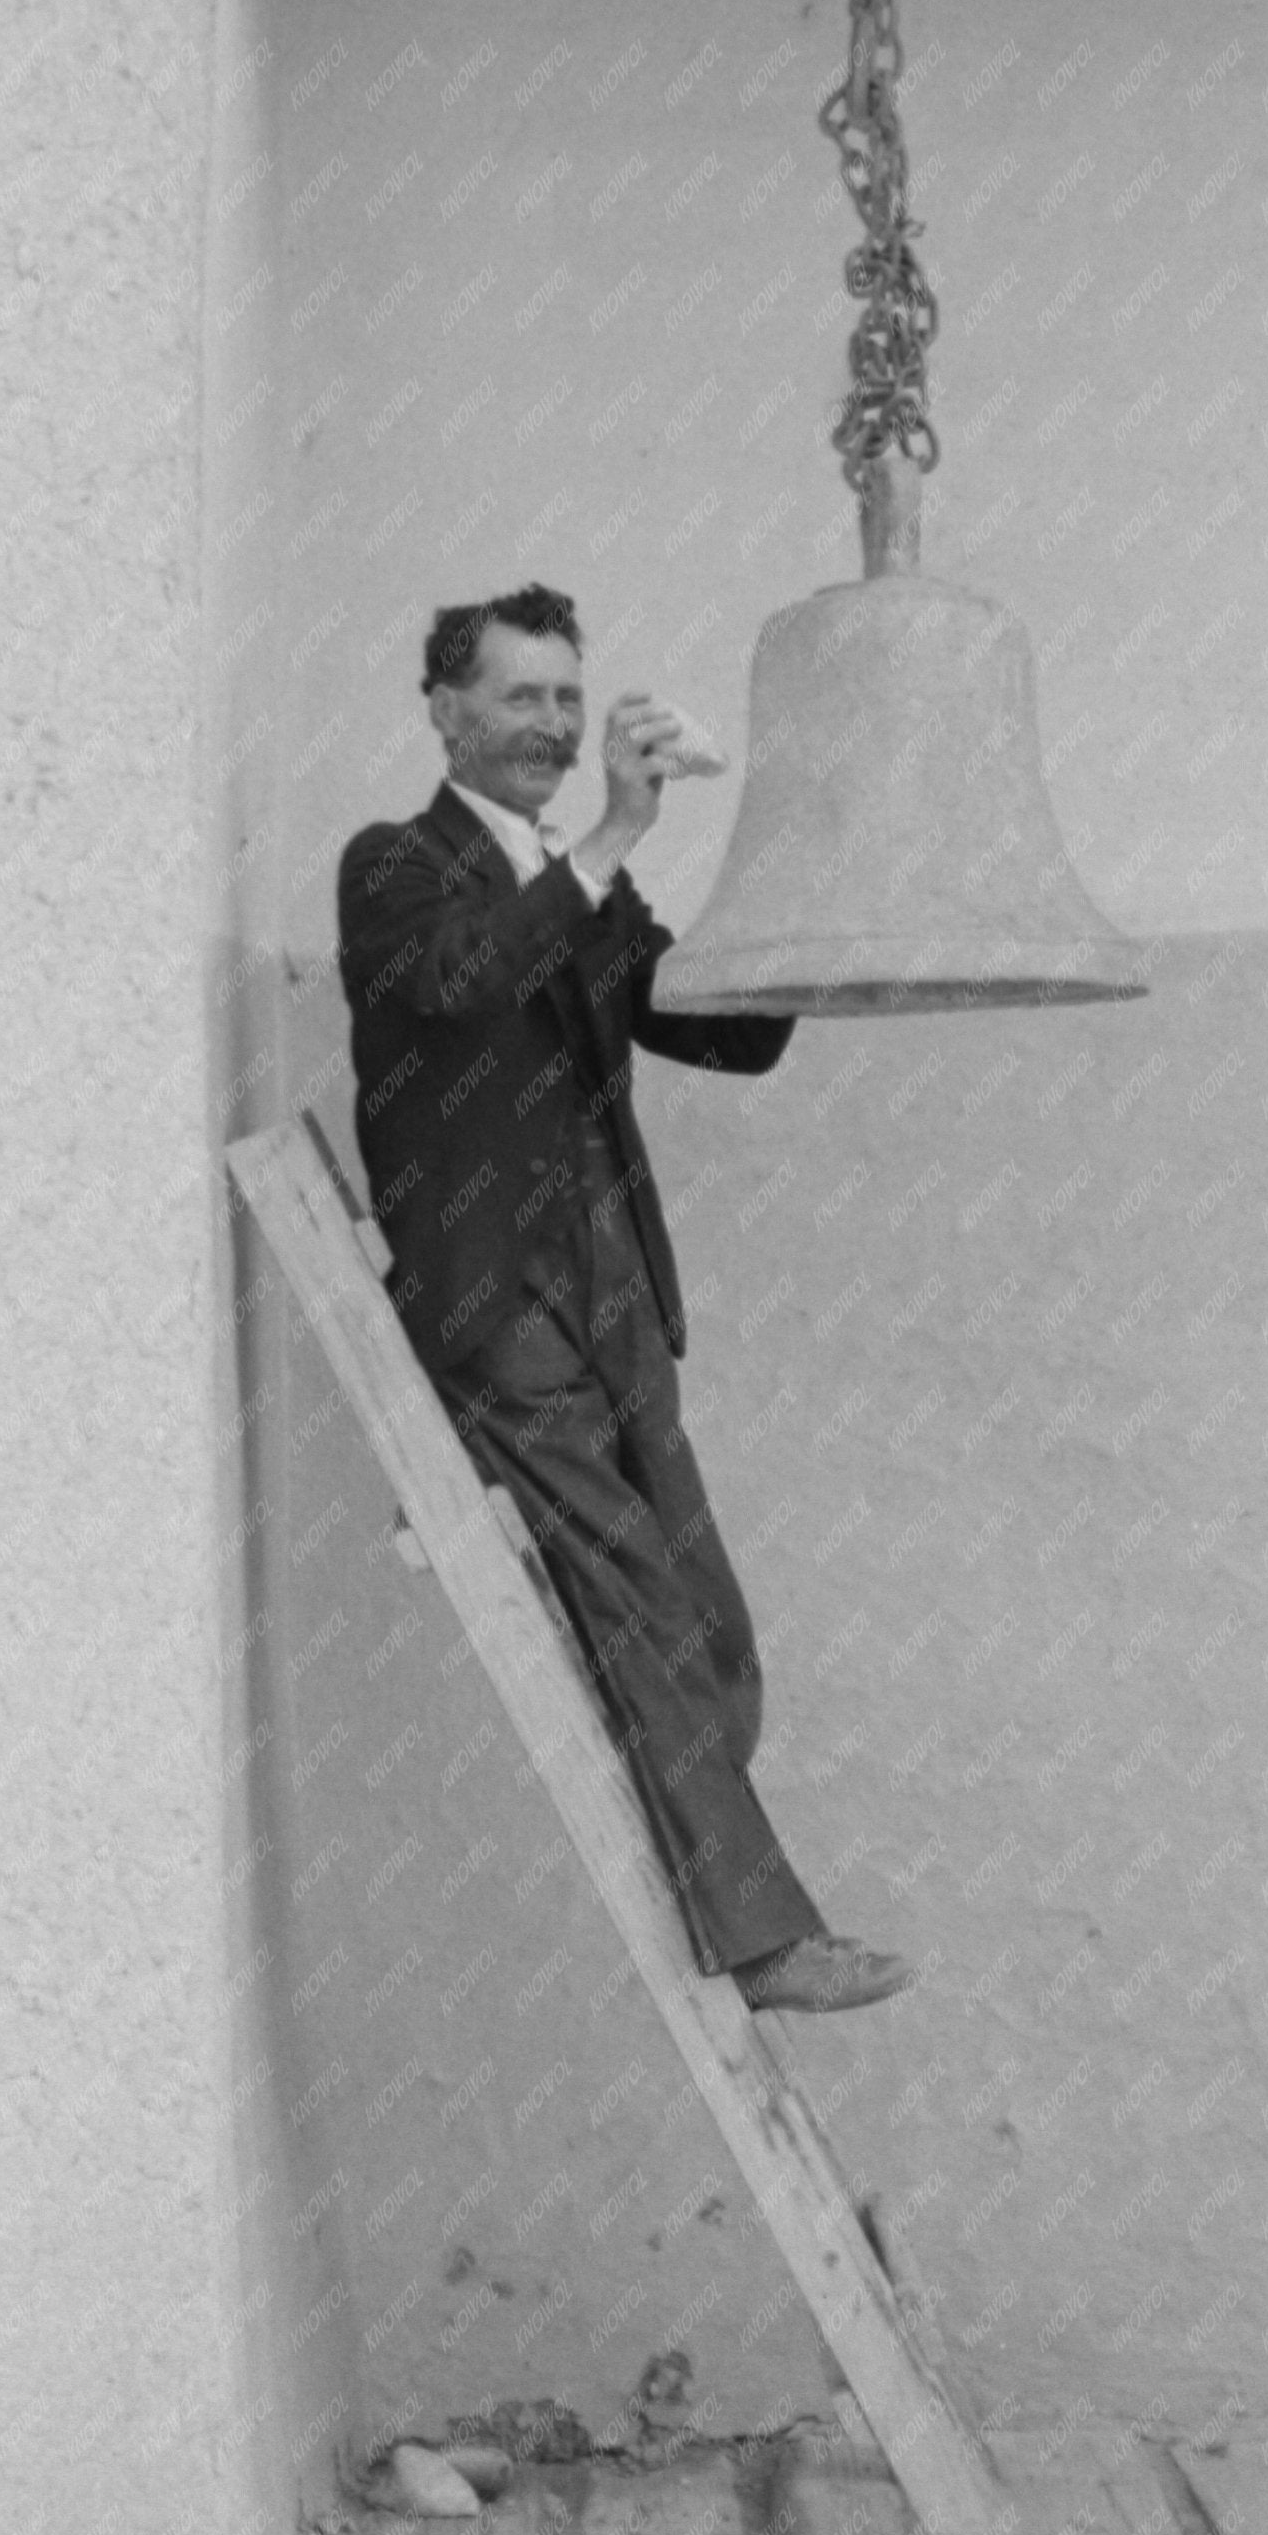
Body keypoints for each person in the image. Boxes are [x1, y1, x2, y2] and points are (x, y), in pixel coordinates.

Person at [336, 582, 914, 2014]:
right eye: (522, 698)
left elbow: (716, 1039)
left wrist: (789, 901)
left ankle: (693, 1824)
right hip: (496, 1310)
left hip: (612, 1293)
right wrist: (603, 841)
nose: (550, 726)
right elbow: (466, 987)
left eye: (566, 703)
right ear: (444, 710)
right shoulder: (392, 866)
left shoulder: (577, 877)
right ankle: (765, 1938)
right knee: (649, 1606)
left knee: (706, 1628)